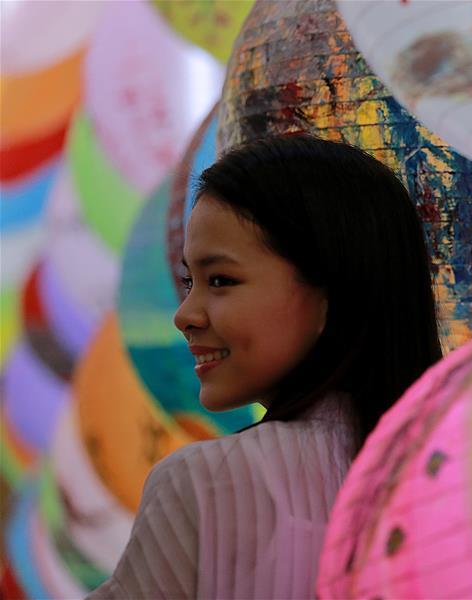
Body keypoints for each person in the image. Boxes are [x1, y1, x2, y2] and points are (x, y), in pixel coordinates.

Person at [88, 134, 443, 599]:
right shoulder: (462, 494)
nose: (185, 315)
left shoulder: (205, 482)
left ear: (329, 297)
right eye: (190, 281)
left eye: (221, 280)